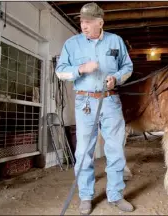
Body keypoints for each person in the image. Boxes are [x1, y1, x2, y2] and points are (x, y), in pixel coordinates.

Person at [55, 2, 134, 215]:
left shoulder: (115, 41)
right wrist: (81, 68)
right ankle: (86, 196)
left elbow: (128, 67)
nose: (84, 25)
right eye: (82, 21)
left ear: (101, 22)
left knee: (115, 149)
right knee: (83, 151)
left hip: (110, 101)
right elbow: (60, 72)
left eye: (89, 21)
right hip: (85, 103)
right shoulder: (72, 44)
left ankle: (116, 195)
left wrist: (115, 78)